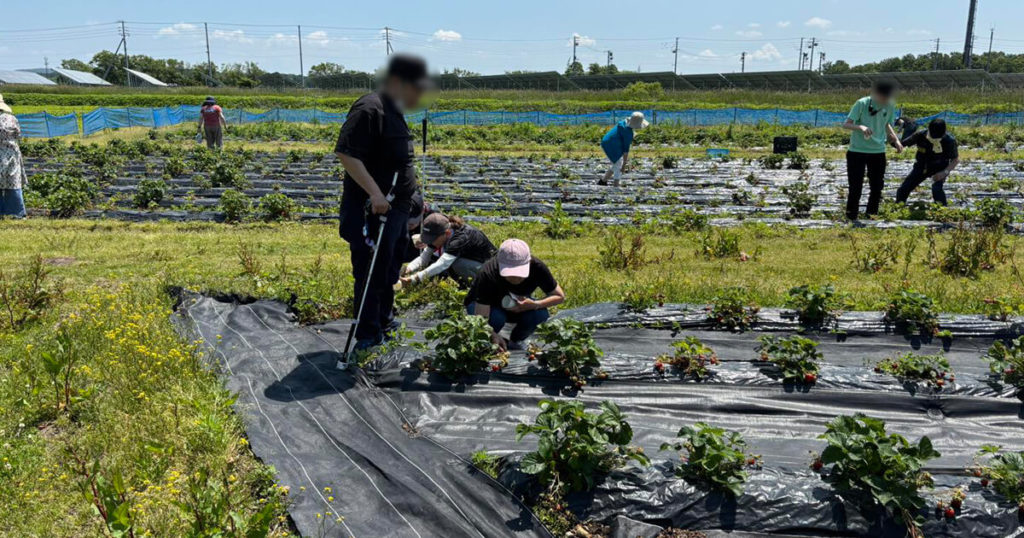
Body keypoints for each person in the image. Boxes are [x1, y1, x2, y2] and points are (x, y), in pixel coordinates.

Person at [336, 53, 431, 352]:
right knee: (370, 271)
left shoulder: (395, 111)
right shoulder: (370, 108)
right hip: (375, 210)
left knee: (389, 268)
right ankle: (368, 333)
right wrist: (376, 194)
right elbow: (347, 154)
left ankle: (385, 321)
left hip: (397, 210)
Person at [464, 239, 566, 351]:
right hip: (485, 307)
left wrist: (534, 304)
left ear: (528, 262)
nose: (515, 277)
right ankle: (486, 343)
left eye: (519, 272)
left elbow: (559, 296)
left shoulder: (537, 268)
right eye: (510, 273)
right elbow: (481, 317)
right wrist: (492, 334)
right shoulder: (487, 273)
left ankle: (515, 340)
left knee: (539, 314)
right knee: (497, 318)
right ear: (499, 263)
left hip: (514, 306)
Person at [841, 80, 904, 220]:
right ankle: (851, 217)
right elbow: (846, 124)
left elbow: (886, 123)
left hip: (878, 151)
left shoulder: (890, 105)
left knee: (877, 187)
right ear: (876, 93)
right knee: (855, 187)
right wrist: (861, 127)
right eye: (883, 97)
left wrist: (896, 139)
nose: (885, 100)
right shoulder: (862, 103)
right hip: (857, 151)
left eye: (887, 97)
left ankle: (872, 216)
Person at [400, 213, 496, 286]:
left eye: (433, 239)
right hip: (472, 264)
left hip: (490, 272)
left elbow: (442, 264)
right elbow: (424, 256)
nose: (431, 242)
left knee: (456, 264)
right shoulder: (442, 233)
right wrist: (408, 268)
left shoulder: (461, 238)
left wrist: (413, 279)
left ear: (447, 233)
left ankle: (477, 289)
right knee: (443, 263)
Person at [895, 119, 959, 206]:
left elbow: (955, 160)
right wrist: (896, 141)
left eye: (937, 137)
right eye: (932, 136)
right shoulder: (920, 135)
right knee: (904, 188)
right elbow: (902, 143)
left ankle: (942, 209)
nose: (934, 138)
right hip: (921, 166)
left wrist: (944, 173)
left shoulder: (949, 141)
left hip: (940, 168)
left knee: (937, 189)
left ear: (944, 133)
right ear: (929, 129)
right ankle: (898, 206)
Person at [599, 111, 648, 186]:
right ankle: (616, 186)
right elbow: (626, 150)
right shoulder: (628, 133)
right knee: (618, 166)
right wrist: (624, 165)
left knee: (616, 164)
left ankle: (603, 181)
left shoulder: (624, 123)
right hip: (611, 145)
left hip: (608, 141)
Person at [0, 94, 27, 219]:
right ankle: (16, 212)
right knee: (13, 182)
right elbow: (18, 134)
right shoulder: (12, 118)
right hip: (12, 153)